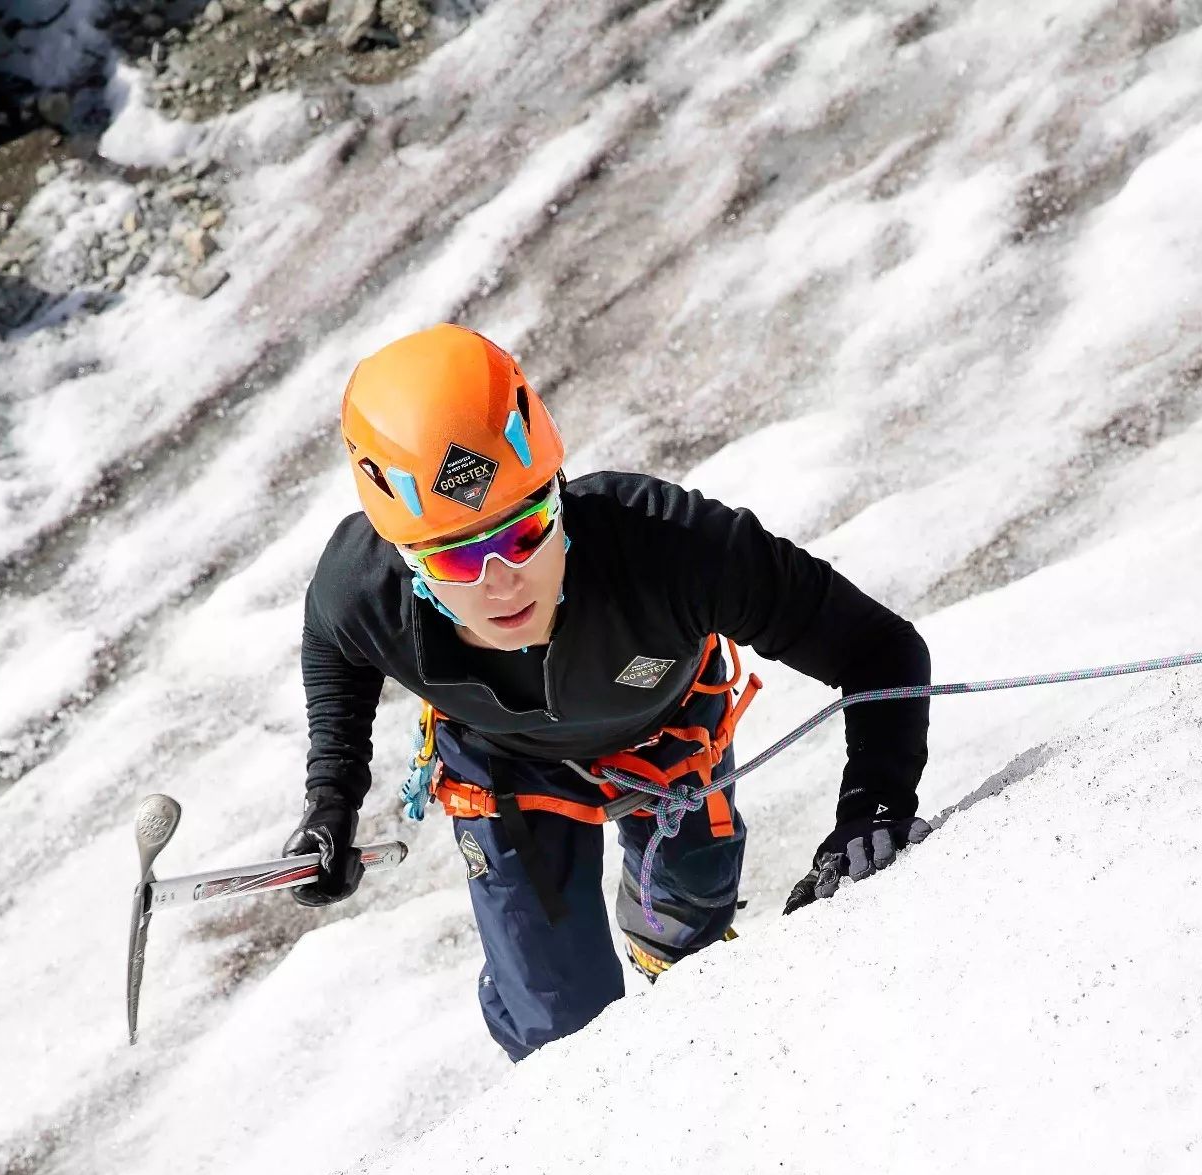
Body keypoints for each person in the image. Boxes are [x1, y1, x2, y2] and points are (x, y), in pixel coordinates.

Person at [286, 323, 931, 1062]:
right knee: (562, 1030)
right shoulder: (363, 590)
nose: (501, 581)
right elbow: (332, 646)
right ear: (407, 559)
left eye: (525, 530)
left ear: (558, 494)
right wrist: (330, 797)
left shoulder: (672, 550)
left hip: (669, 738)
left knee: (690, 942)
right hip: (505, 768)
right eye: (458, 557)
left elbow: (879, 648)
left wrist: (872, 810)